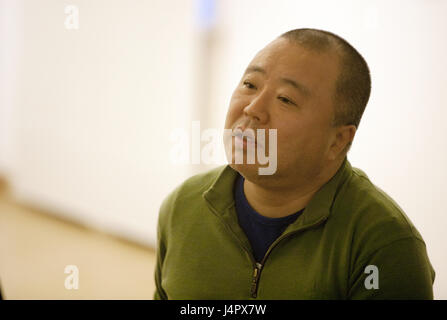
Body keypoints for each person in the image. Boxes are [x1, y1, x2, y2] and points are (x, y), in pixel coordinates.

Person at [153, 28, 435, 299]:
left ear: (337, 140)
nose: (253, 109)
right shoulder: (182, 207)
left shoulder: (383, 245)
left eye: (285, 99)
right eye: (250, 84)